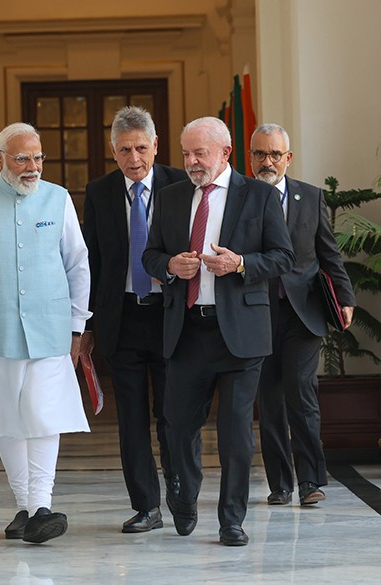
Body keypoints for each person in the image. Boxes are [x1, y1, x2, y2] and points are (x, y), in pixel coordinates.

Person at [142, 116, 295, 546]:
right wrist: (170, 265)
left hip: (241, 335)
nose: (191, 162)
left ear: (225, 153)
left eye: (200, 154)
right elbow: (150, 255)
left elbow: (283, 256)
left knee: (235, 436)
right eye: (186, 153)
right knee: (178, 428)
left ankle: (232, 520)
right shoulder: (170, 198)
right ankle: (185, 499)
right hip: (186, 332)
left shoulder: (260, 196)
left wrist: (241, 263)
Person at [0, 122, 92, 544]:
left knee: (44, 414)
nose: (33, 167)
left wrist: (79, 324)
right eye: (23, 158)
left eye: (38, 158)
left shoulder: (58, 199)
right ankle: (27, 507)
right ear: (0, 159)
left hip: (50, 326)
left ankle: (41, 505)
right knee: (6, 417)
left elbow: (78, 264)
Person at [82, 106, 186, 533]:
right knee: (131, 419)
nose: (134, 158)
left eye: (141, 147)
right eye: (124, 149)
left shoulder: (179, 184)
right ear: (113, 150)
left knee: (174, 415)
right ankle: (147, 506)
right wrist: (86, 326)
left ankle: (182, 497)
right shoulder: (99, 191)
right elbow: (91, 260)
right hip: (121, 319)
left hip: (170, 317)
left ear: (155, 146)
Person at [250, 124, 355, 507]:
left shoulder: (310, 197)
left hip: (304, 313)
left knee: (301, 391)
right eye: (260, 154)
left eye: (275, 154)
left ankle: (311, 479)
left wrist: (345, 297)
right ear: (251, 158)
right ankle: (279, 484)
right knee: (270, 399)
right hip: (257, 313)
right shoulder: (241, 199)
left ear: (288, 158)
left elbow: (329, 253)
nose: (268, 161)